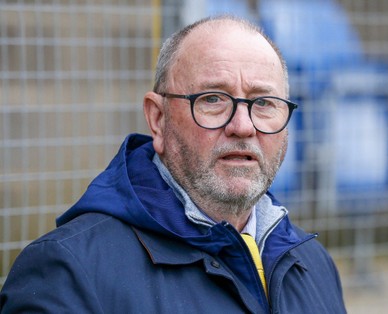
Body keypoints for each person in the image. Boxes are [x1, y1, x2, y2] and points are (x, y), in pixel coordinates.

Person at [0, 16, 346, 313]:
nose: (243, 126)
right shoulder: (69, 272)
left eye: (264, 103)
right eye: (213, 99)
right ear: (158, 118)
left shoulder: (312, 263)